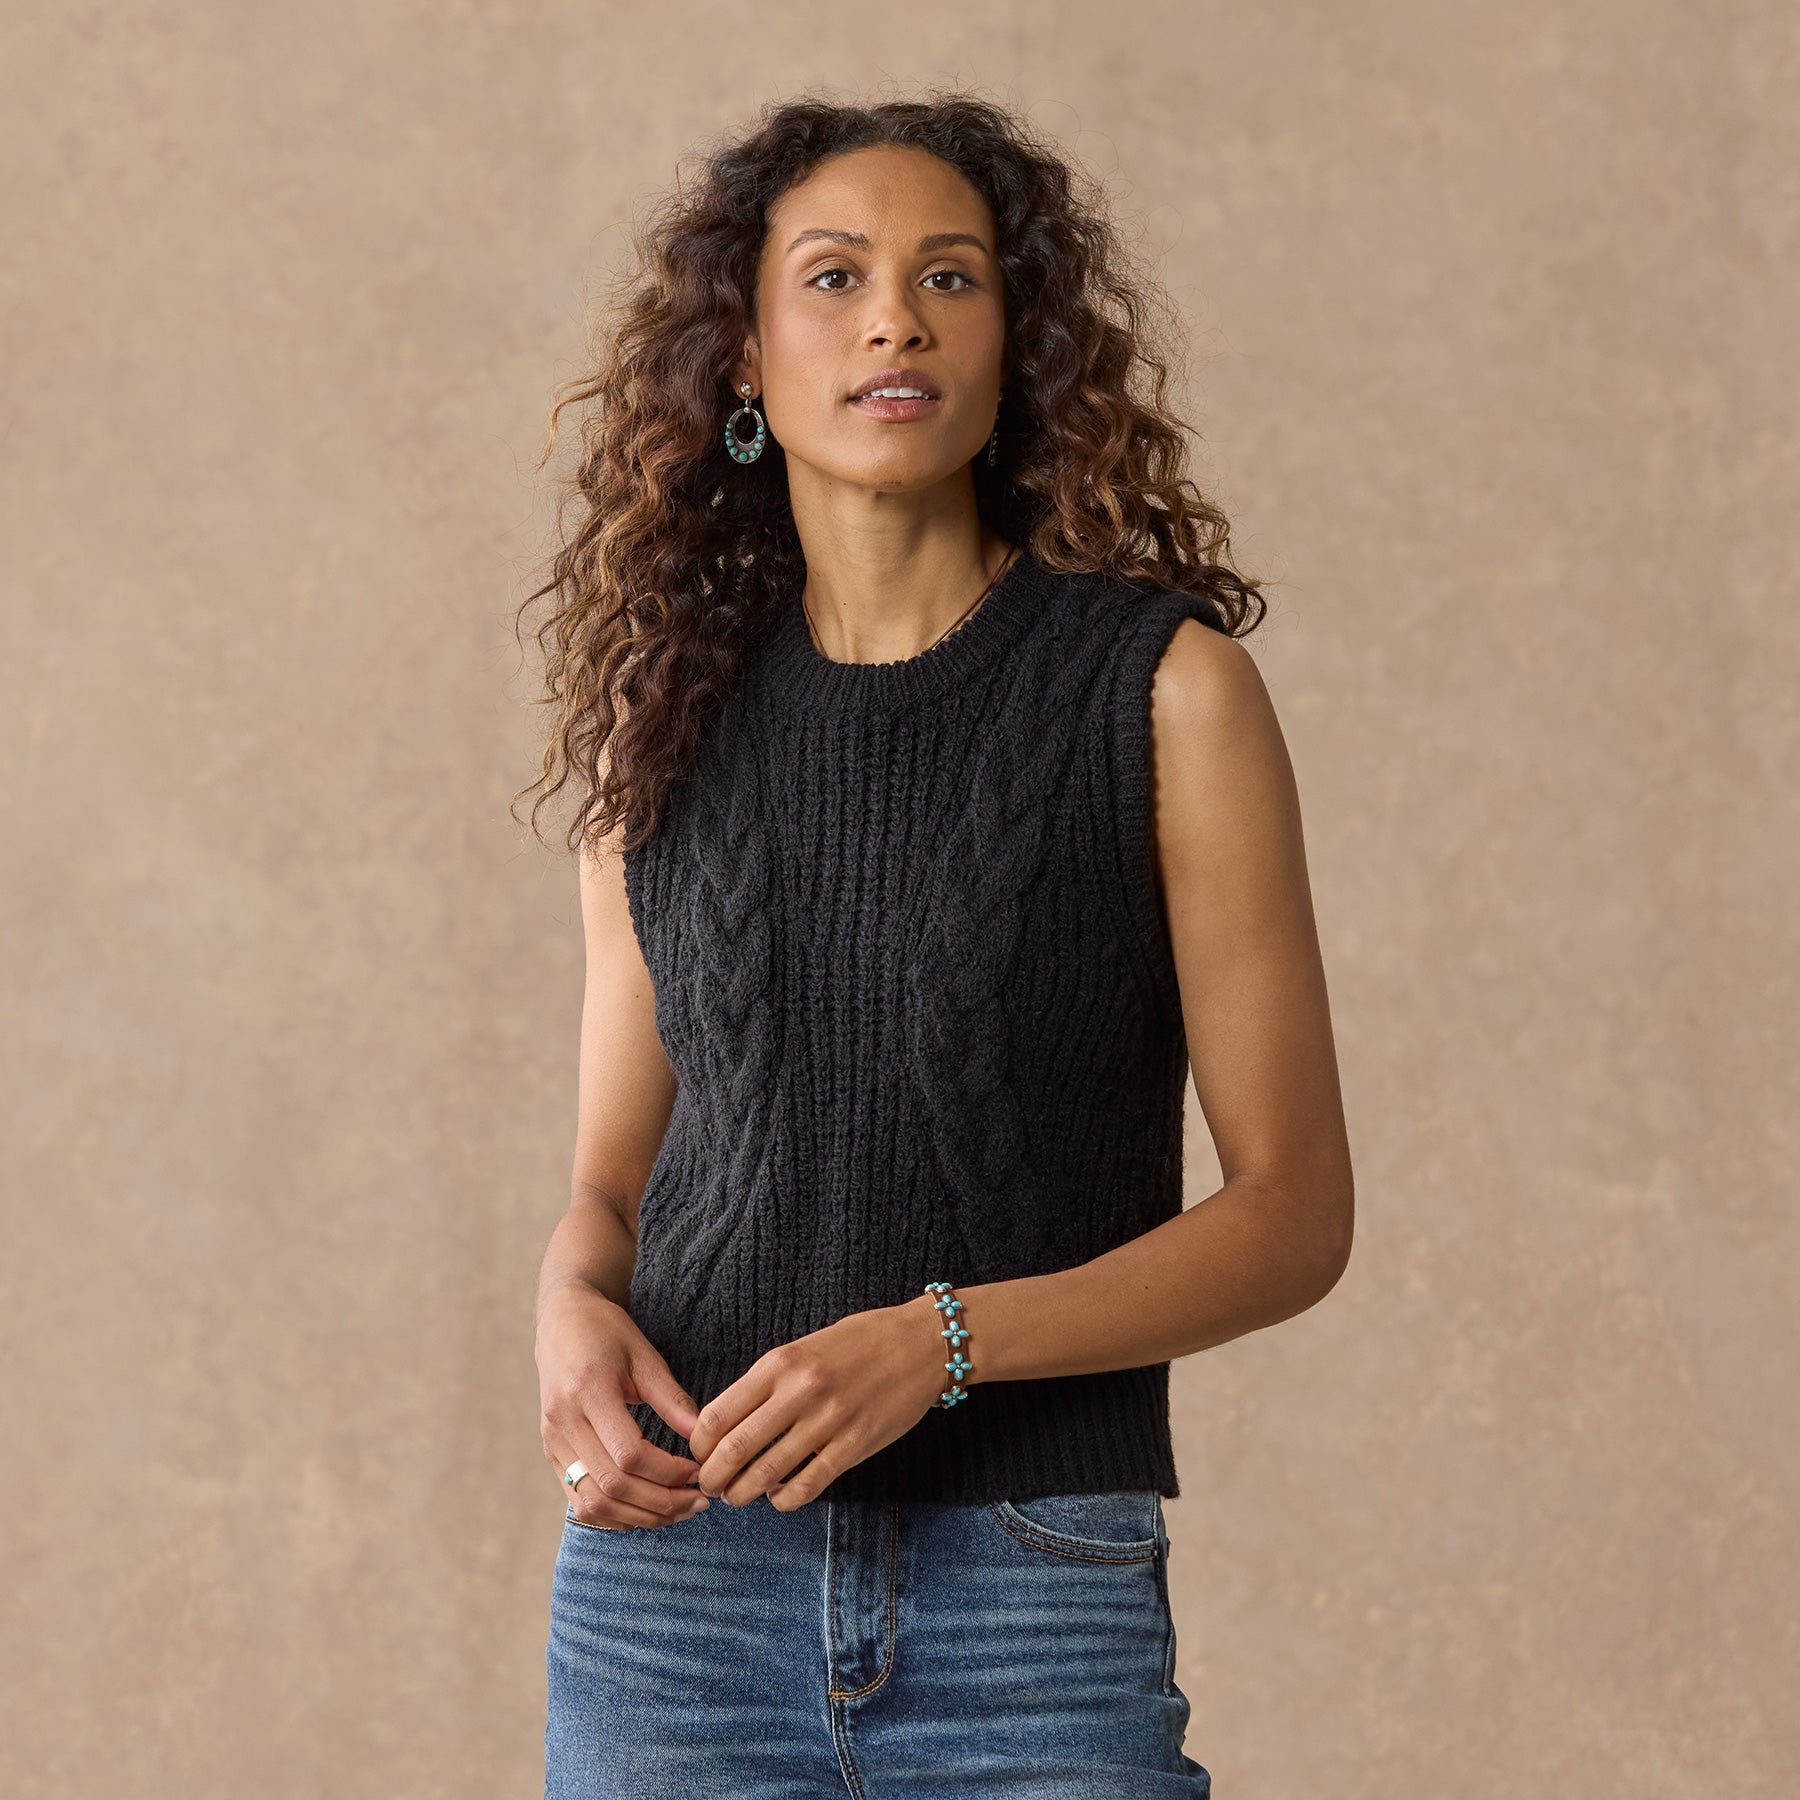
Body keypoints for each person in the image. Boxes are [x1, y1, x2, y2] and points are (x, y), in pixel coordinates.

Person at [514, 89, 1353, 1799]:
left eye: (950, 277)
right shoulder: (657, 724)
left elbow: (1294, 1216)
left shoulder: (1163, 694)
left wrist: (943, 1341)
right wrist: (567, 1315)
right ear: (741, 356)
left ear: (1013, 345)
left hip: (1028, 1596)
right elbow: (611, 1187)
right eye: (833, 277)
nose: (894, 318)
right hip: (675, 1597)